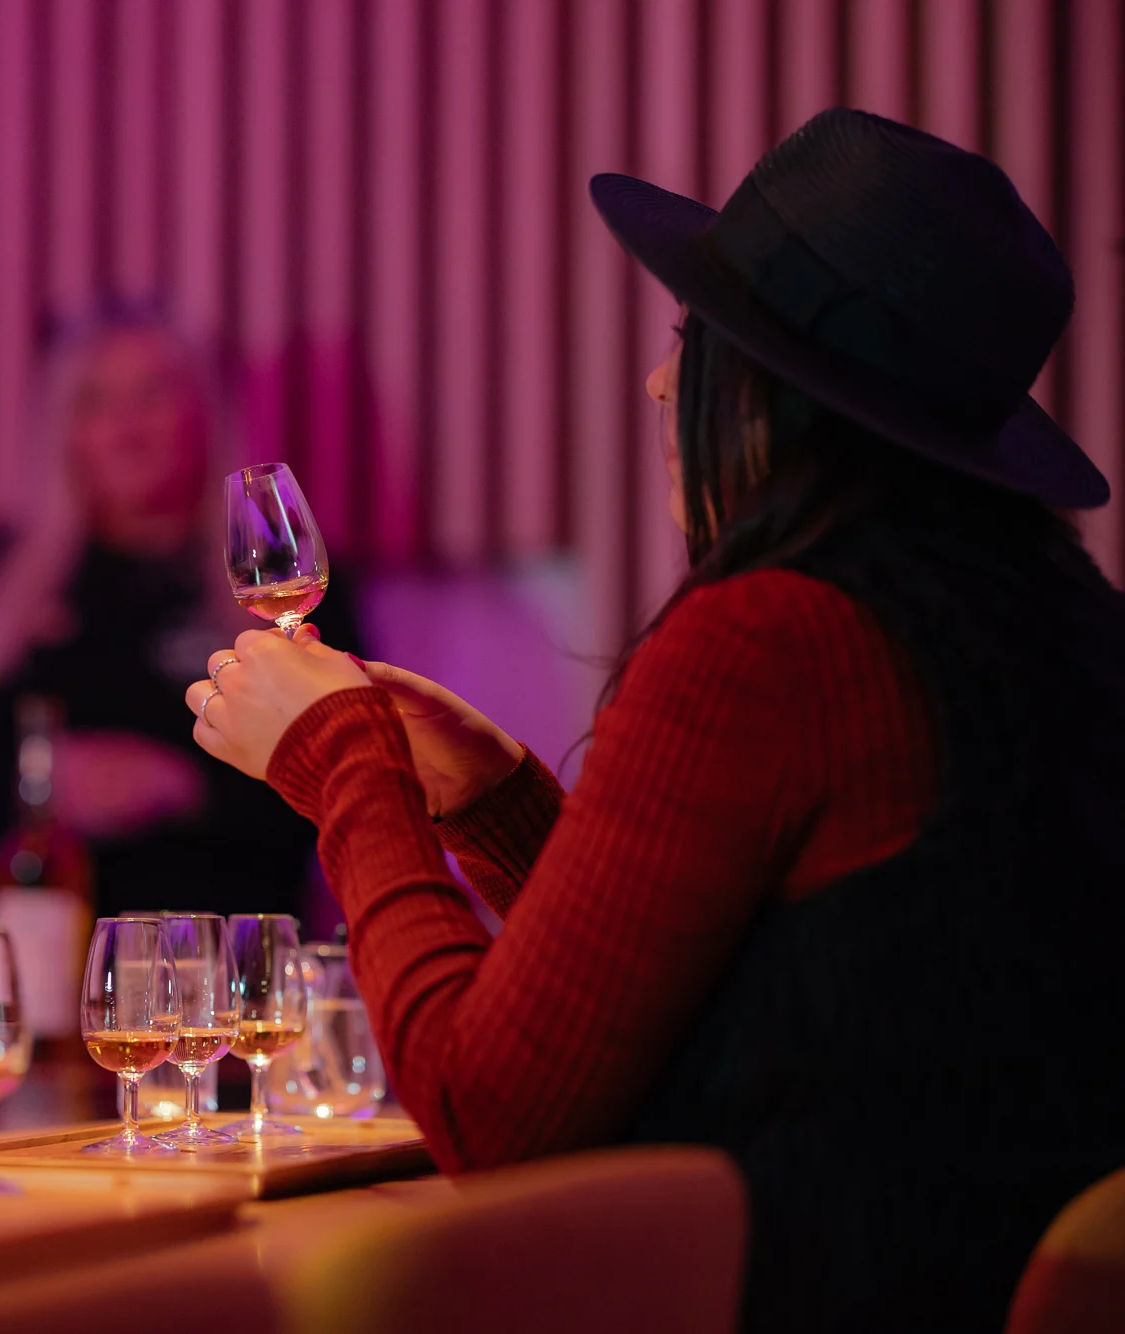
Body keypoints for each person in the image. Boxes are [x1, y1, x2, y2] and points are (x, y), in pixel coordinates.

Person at [183, 109, 1125, 1332]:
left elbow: (491, 1115)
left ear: (771, 395)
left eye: (691, 338)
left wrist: (341, 763)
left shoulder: (773, 634)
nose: (657, 379)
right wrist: (492, 799)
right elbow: (748, 993)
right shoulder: (1056, 625)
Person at [0, 303, 365, 920]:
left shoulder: (276, 576)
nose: (126, 427)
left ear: (204, 415)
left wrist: (188, 788)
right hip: (31, 952)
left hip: (225, 947)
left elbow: (349, 774)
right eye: (95, 403)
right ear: (64, 431)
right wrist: (43, 781)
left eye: (153, 395)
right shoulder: (4, 576)